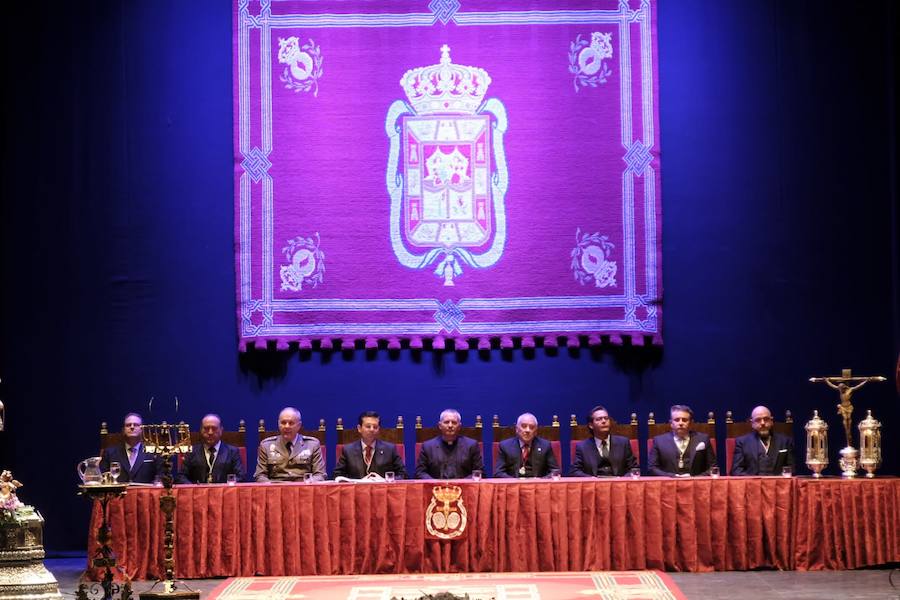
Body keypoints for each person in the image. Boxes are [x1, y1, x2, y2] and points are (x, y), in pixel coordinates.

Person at [254, 407, 326, 482]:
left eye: (291, 423)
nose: (287, 426)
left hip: (303, 489)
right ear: (278, 424)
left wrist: (307, 483)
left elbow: (320, 475)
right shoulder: (266, 445)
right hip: (276, 490)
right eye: (283, 423)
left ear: (299, 425)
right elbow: (260, 475)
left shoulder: (312, 444)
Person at [333, 411, 406, 480]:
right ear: (359, 428)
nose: (372, 430)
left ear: (379, 429)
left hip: (382, 491)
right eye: (368, 426)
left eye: (375, 427)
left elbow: (403, 475)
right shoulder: (348, 450)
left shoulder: (390, 449)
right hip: (356, 491)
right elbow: (337, 475)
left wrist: (385, 480)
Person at [648, 405, 716, 477]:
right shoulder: (659, 441)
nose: (680, 423)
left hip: (696, 485)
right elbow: (652, 468)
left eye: (684, 420)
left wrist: (694, 478)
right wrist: (672, 476)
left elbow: (713, 468)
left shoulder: (703, 439)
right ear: (671, 423)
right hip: (669, 485)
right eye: (677, 420)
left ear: (691, 423)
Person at [569, 405, 637, 477]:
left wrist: (621, 480)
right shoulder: (582, 447)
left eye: (606, 418)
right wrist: (591, 479)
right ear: (591, 425)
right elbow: (575, 471)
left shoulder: (623, 443)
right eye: (599, 419)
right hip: (593, 486)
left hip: (619, 486)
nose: (604, 421)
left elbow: (634, 469)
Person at [175, 414, 245, 484]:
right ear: (201, 430)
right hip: (198, 493)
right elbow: (181, 476)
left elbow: (240, 477)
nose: (210, 432)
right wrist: (193, 489)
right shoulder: (191, 452)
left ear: (221, 430)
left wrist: (225, 488)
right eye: (206, 428)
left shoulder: (232, 452)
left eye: (214, 429)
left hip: (224, 493)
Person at [415, 409, 484, 479]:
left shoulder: (471, 445)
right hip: (435, 488)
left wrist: (461, 484)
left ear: (459, 426)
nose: (450, 425)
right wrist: (435, 483)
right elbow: (420, 473)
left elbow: (479, 472)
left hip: (465, 488)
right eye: (446, 422)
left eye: (454, 422)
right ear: (440, 425)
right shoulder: (428, 447)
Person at [730, 406, 794, 476]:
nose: (763, 423)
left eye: (766, 419)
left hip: (778, 485)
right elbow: (736, 471)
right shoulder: (742, 442)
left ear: (771, 421)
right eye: (758, 420)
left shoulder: (785, 441)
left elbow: (791, 469)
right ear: (752, 423)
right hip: (753, 485)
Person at [100, 413, 160, 483]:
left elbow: (160, 479)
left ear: (142, 429)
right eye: (128, 425)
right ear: (123, 430)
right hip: (118, 492)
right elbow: (102, 479)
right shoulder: (109, 453)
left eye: (136, 425)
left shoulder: (153, 452)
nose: (132, 427)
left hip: (145, 492)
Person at [493, 413, 558, 478]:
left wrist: (541, 481)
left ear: (536, 431)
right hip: (514, 485)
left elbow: (555, 471)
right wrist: (514, 482)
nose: (527, 430)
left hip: (538, 485)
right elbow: (498, 472)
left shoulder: (545, 446)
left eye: (531, 427)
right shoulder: (505, 446)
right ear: (517, 429)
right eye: (524, 426)